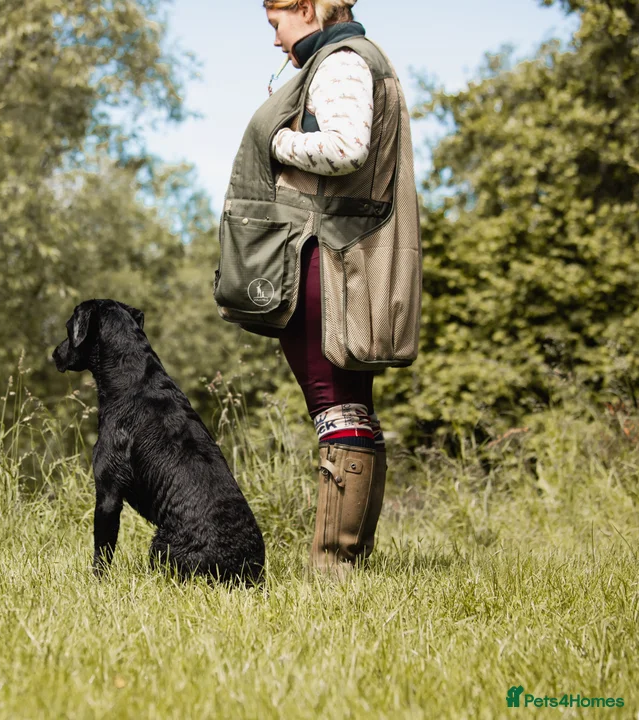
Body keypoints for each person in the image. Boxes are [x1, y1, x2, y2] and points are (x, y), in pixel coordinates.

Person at [216, 0, 422, 579]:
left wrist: (276, 142)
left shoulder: (340, 62)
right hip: (340, 261)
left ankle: (333, 572)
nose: (276, 40)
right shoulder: (356, 57)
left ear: (305, 8)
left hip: (323, 263)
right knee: (352, 408)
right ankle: (348, 570)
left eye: (277, 23)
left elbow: (344, 147)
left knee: (335, 407)